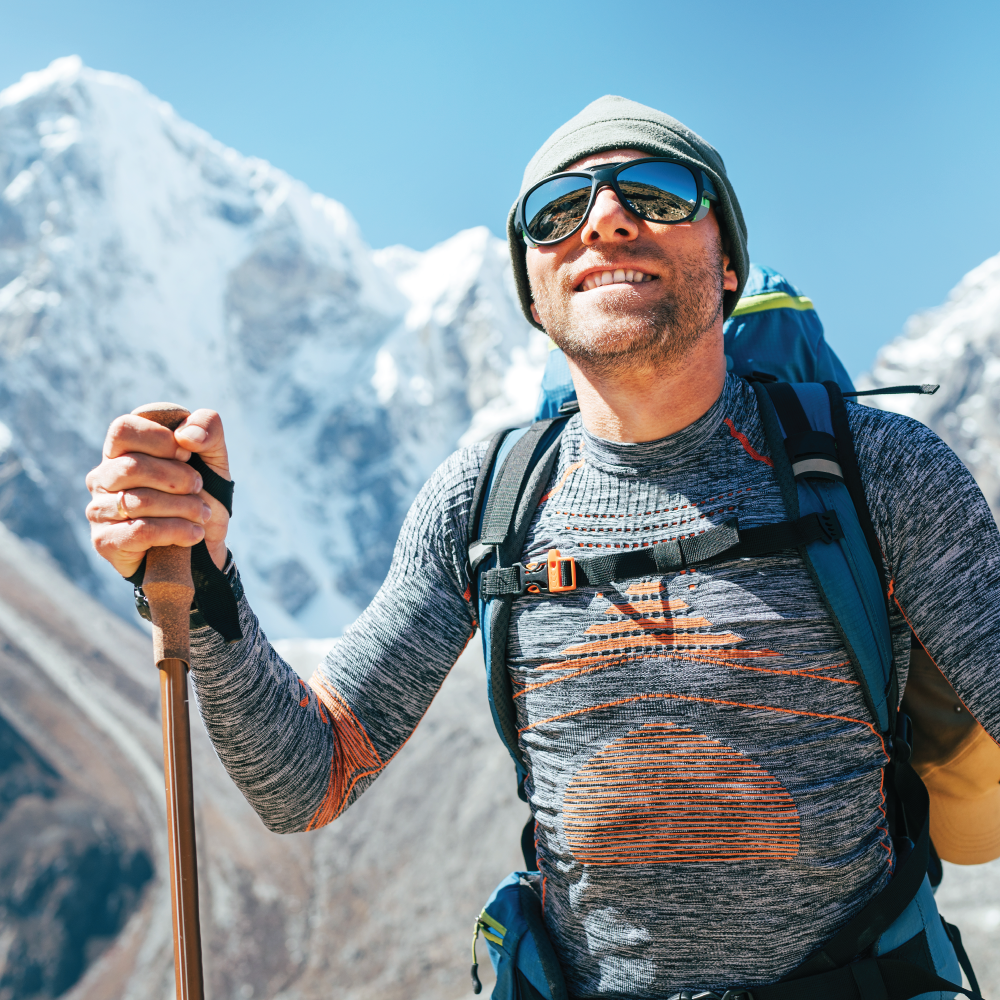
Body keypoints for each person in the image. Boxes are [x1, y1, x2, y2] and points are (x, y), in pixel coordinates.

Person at [85, 96, 1000, 996]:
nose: (605, 220)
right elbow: (307, 778)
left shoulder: (877, 470)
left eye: (658, 191)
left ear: (728, 264)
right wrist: (203, 581)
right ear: (531, 289)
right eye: (557, 212)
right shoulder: (484, 503)